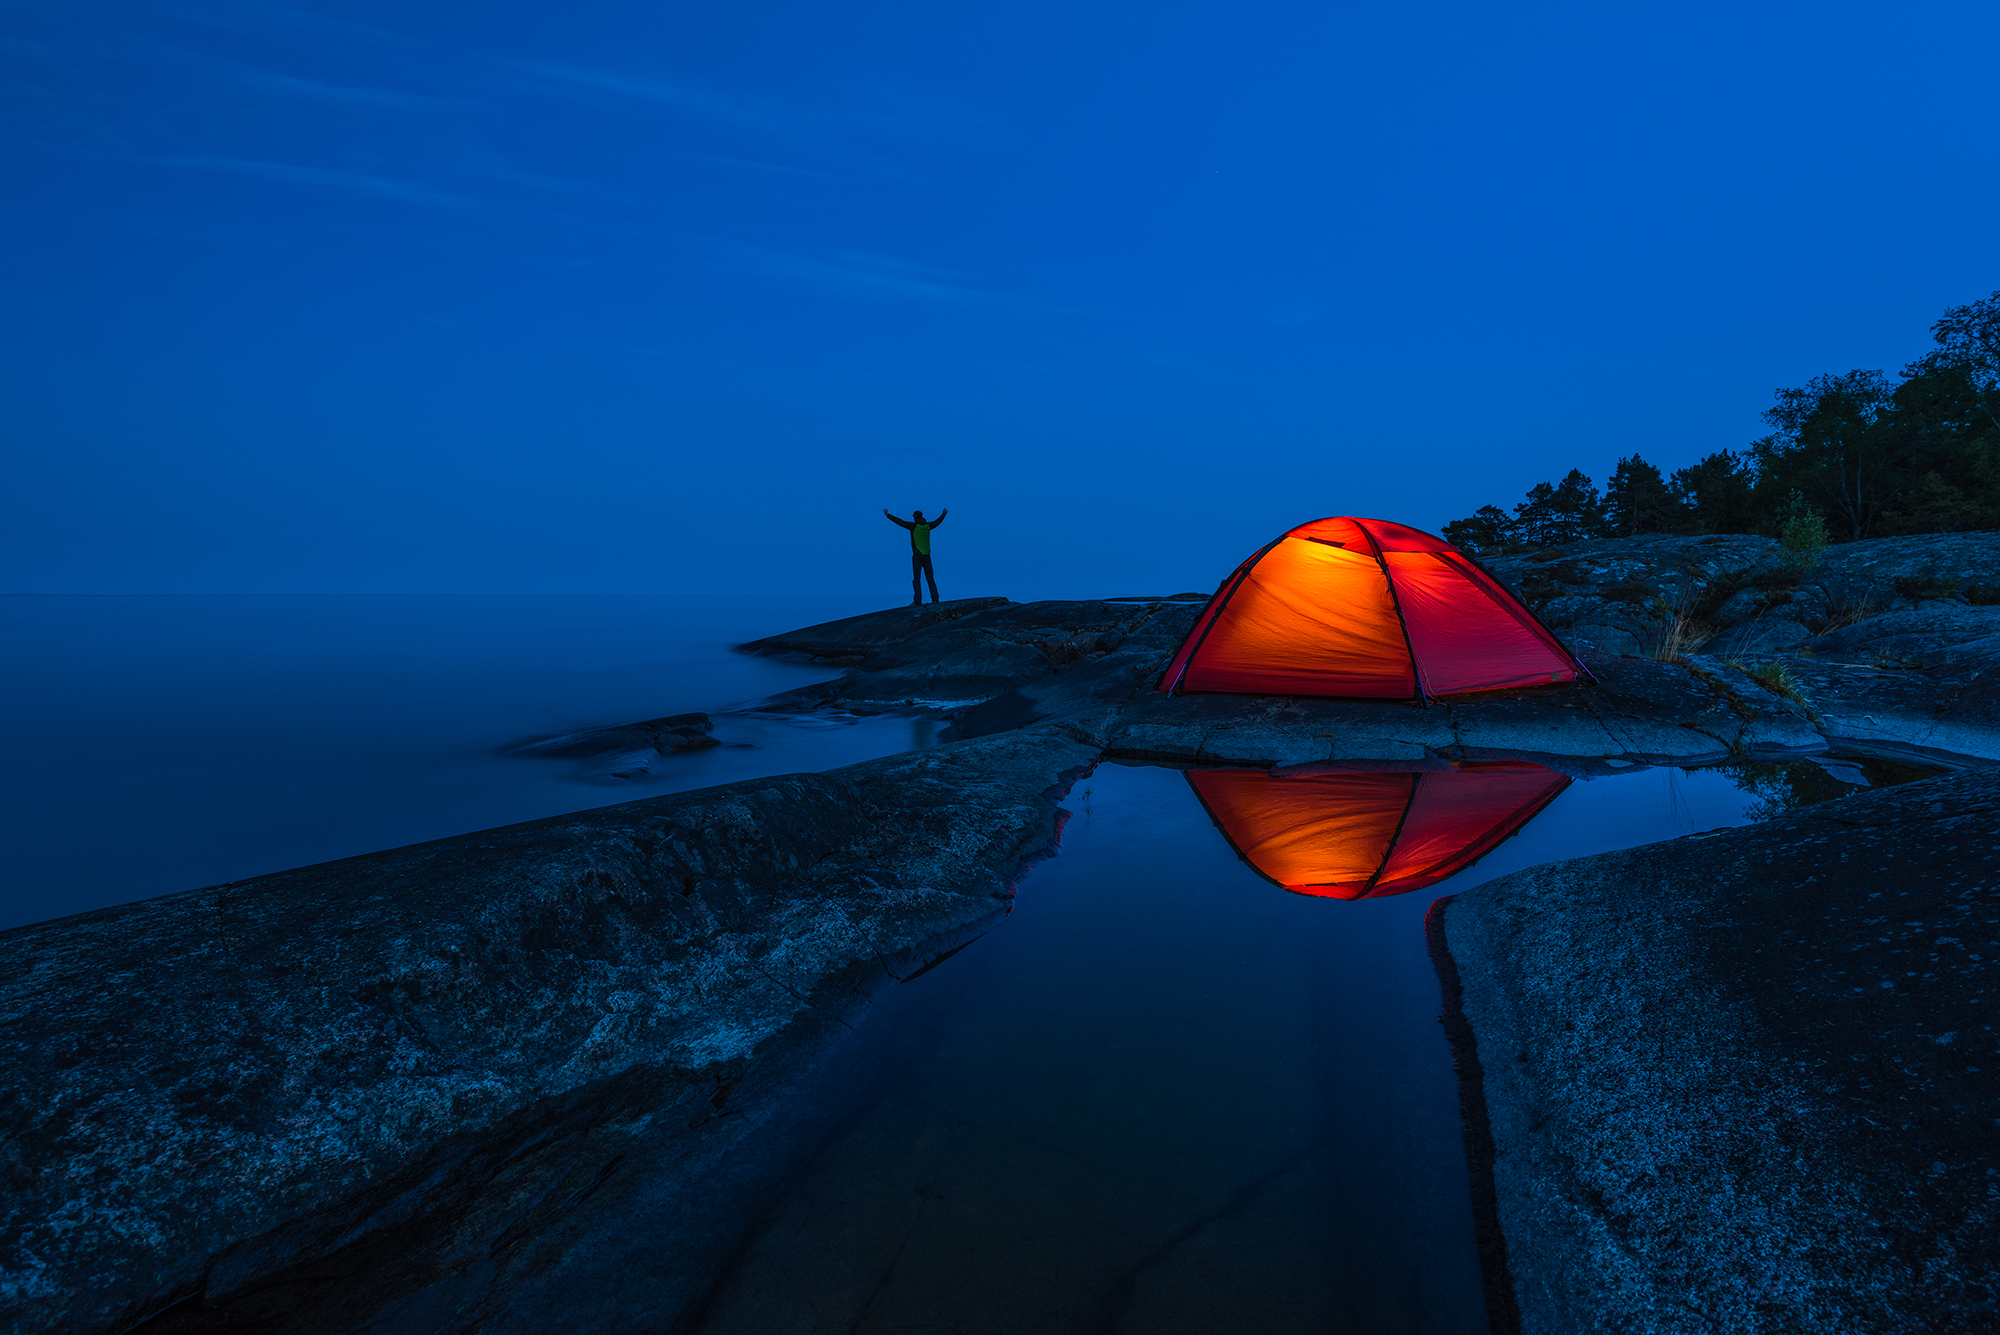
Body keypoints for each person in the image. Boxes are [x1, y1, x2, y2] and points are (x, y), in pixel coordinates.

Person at [883, 506, 948, 605]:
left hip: (917, 556)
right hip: (927, 556)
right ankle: (935, 599)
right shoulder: (928, 526)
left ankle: (917, 601)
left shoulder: (913, 526)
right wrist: (943, 514)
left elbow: (901, 522)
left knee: (917, 579)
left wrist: (888, 515)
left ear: (915, 518)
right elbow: (937, 522)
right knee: (930, 578)